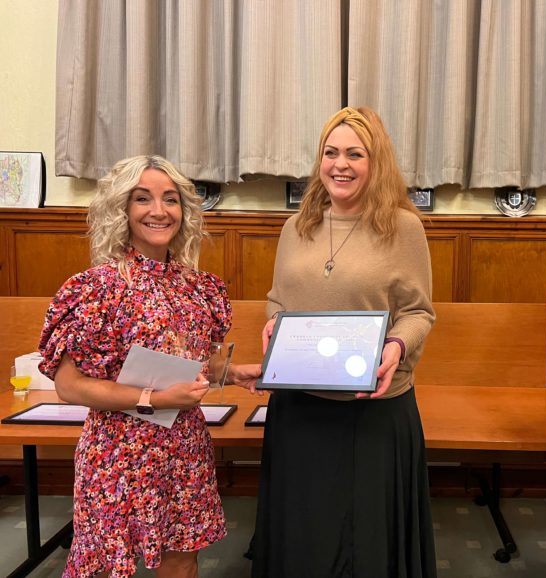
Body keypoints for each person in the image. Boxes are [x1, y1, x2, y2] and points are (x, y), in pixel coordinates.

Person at [38, 155, 261, 578]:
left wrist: (229, 372)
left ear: (185, 211)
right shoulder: (96, 288)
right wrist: (153, 399)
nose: (159, 211)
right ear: (121, 208)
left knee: (181, 557)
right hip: (117, 451)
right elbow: (69, 386)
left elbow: (189, 363)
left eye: (170, 199)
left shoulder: (198, 287)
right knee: (102, 563)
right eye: (143, 199)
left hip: (184, 447)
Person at [249, 107, 437, 577]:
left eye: (356, 153)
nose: (341, 164)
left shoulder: (402, 227)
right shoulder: (296, 227)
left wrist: (394, 347)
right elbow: (277, 300)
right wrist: (274, 326)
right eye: (331, 153)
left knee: (366, 541)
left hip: (371, 408)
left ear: (377, 163)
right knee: (304, 531)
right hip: (299, 408)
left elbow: (419, 313)